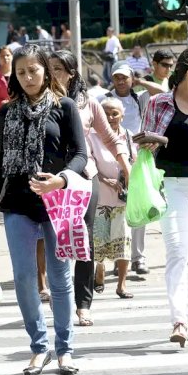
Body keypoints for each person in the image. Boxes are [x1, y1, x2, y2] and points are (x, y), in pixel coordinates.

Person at [0, 43, 87, 375]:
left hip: (57, 203)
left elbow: (81, 155)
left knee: (60, 279)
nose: (27, 77)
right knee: (25, 280)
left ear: (46, 70)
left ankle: (65, 349)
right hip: (18, 205)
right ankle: (39, 347)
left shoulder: (65, 107)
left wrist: (62, 180)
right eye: (21, 72)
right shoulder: (7, 111)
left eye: (34, 70)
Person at [140, 47, 188, 347]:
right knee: (177, 251)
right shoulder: (159, 103)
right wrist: (151, 142)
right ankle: (179, 320)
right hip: (170, 184)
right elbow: (143, 145)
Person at [49, 49, 130, 326]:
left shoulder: (88, 103)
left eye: (58, 69)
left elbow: (109, 137)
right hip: (52, 179)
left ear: (71, 73)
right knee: (55, 239)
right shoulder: (40, 101)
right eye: (50, 68)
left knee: (85, 238)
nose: (53, 74)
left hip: (85, 175)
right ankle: (58, 294)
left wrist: (126, 167)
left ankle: (83, 304)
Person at [98, 61, 149, 276]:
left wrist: (139, 81)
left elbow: (163, 91)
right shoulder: (103, 99)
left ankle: (138, 257)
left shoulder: (140, 97)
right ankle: (116, 260)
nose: (120, 81)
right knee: (111, 212)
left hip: (135, 157)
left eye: (124, 77)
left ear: (131, 79)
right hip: (109, 160)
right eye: (116, 77)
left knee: (136, 209)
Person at [91, 98, 136, 298]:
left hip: (123, 200)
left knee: (124, 242)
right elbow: (88, 165)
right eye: (106, 113)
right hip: (100, 199)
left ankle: (122, 285)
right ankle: (99, 270)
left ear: (122, 115)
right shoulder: (91, 137)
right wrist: (106, 180)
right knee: (99, 243)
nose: (110, 118)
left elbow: (134, 163)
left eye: (114, 114)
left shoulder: (128, 137)